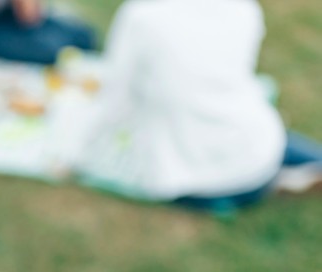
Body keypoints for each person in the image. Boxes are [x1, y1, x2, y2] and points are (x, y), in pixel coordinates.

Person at [61, 0, 322, 212]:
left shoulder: (142, 16)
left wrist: (74, 154)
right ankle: (284, 174)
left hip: (194, 182)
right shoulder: (244, 8)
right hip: (255, 151)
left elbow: (113, 102)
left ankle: (276, 182)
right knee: (263, 135)